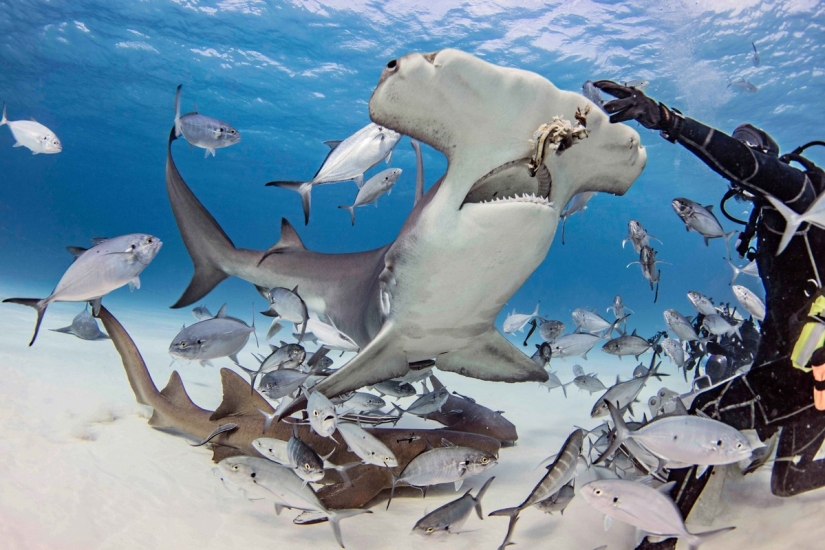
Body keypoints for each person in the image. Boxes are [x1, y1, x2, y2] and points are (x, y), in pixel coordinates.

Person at [592, 80, 825, 549]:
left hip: (813, 370)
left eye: (749, 153)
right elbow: (784, 310)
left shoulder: (804, 193)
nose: (741, 174)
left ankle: (662, 540)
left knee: (706, 413)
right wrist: (762, 369)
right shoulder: (771, 217)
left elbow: (748, 165)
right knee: (786, 483)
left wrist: (668, 120)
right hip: (795, 366)